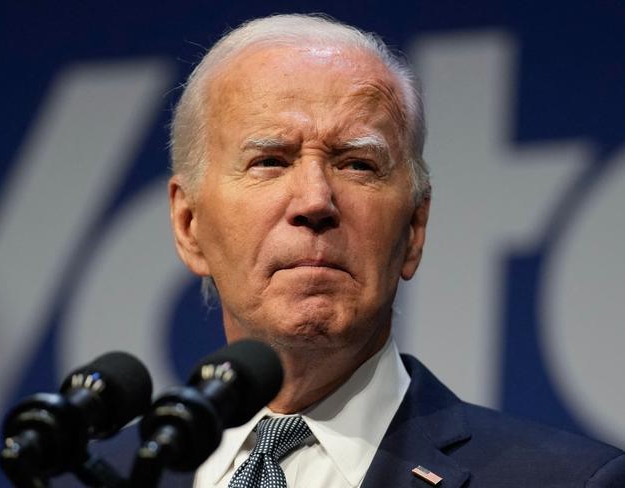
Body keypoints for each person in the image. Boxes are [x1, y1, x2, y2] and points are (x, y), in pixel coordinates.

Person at [167, 13, 625, 488]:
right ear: (189, 225)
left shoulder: (568, 480)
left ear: (414, 227)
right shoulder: (102, 473)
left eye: (358, 164)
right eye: (269, 161)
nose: (315, 201)